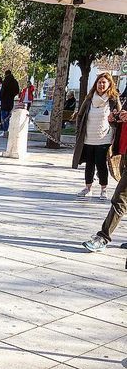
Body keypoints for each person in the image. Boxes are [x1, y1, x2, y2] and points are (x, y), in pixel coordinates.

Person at [82, 103, 127, 252]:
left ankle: (103, 237)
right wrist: (114, 118)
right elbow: (120, 117)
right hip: (124, 153)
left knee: (120, 198)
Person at [72, 71, 119, 203]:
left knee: (101, 164)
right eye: (99, 82)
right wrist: (78, 131)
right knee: (89, 164)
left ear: (109, 84)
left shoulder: (113, 100)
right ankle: (88, 188)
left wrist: (114, 118)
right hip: (88, 137)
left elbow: (119, 118)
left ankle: (103, 189)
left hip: (104, 138)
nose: (101, 85)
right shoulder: (89, 99)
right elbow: (80, 115)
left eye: (104, 82)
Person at [0, 69, 19, 134]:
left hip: (4, 101)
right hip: (10, 101)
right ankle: (8, 130)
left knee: (4, 117)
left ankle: (5, 130)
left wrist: (1, 97)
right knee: (8, 116)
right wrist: (12, 95)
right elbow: (17, 91)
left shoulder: (5, 81)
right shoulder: (15, 81)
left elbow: (2, 91)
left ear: (6, 74)